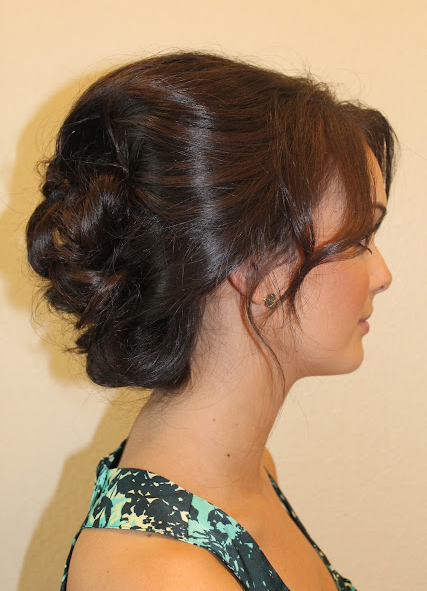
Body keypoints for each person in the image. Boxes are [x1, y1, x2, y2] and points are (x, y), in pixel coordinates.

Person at [26, 51, 396, 591]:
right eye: (360, 239)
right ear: (253, 264)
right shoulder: (164, 576)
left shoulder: (247, 472)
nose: (383, 275)